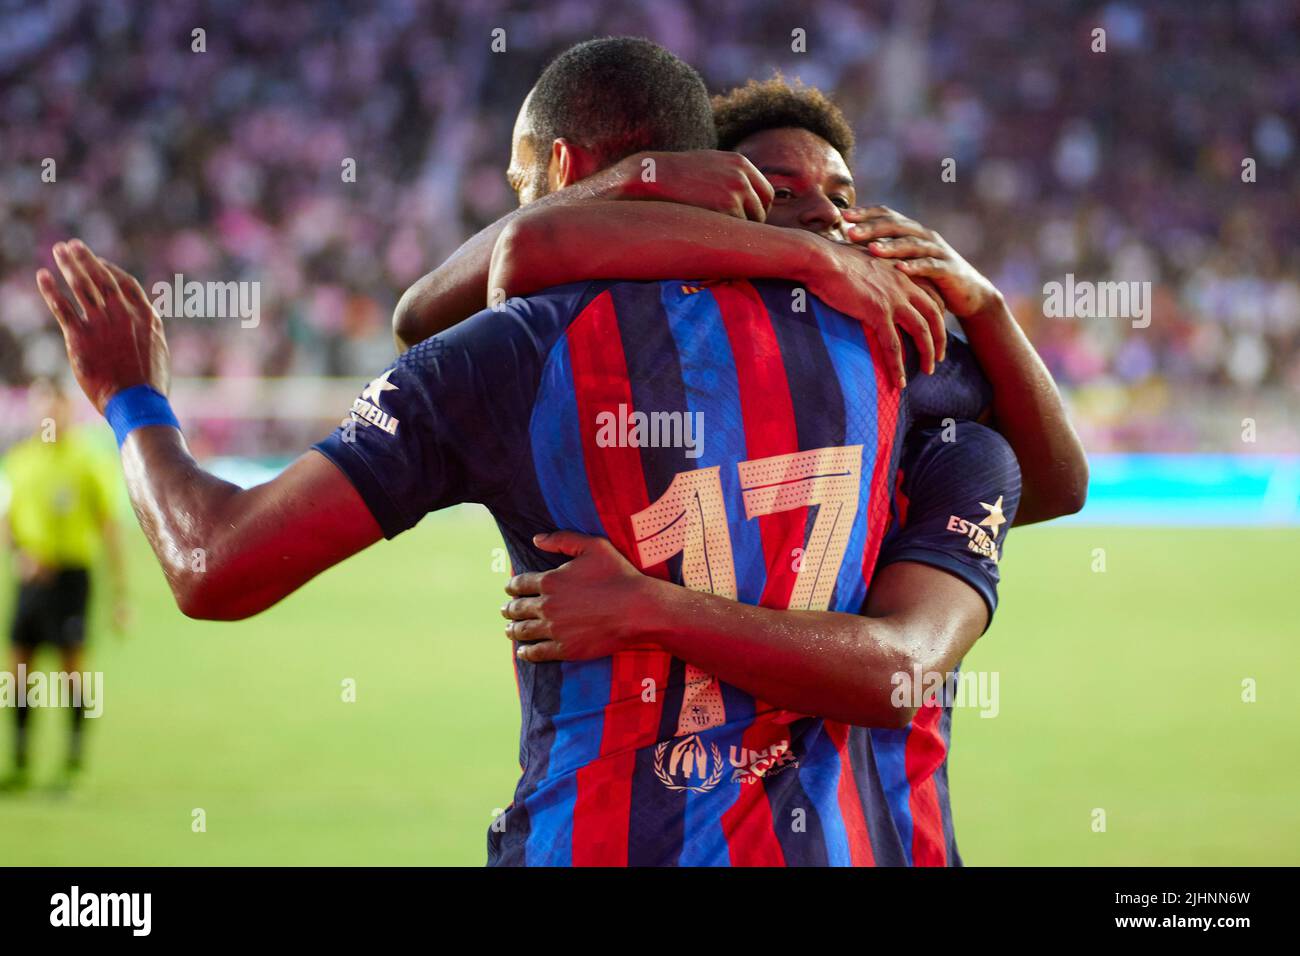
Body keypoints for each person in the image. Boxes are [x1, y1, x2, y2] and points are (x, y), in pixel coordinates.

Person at [38, 38, 1059, 864]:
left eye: (520, 183)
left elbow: (216, 559)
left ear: (561, 174)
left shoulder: (509, 353)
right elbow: (1042, 488)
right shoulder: (904, 361)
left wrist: (131, 396)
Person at [1, 378, 127, 789]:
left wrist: (120, 594)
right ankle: (20, 761)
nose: (47, 416)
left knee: (73, 673)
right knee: (18, 671)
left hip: (72, 577)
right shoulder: (19, 461)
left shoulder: (87, 461)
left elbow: (108, 527)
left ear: (67, 411)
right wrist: (22, 555)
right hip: (32, 580)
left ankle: (73, 763)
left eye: (54, 407)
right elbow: (7, 522)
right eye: (41, 408)